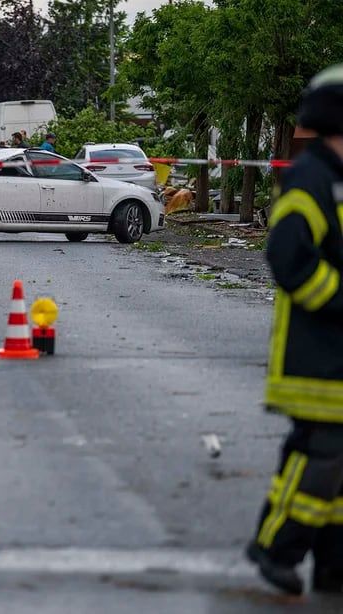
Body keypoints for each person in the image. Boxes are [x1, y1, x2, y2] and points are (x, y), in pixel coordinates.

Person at [245, 63, 343, 596]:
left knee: (335, 468)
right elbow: (289, 257)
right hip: (318, 359)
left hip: (334, 356)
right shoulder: (313, 179)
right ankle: (276, 548)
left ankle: (333, 563)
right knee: (319, 463)